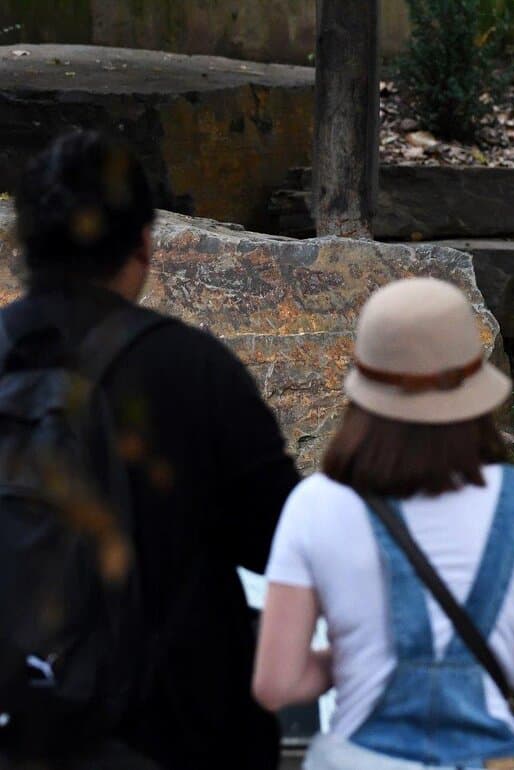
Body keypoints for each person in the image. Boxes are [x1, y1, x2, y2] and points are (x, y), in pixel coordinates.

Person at [0, 131, 300, 769]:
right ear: (142, 244)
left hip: (17, 725)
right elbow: (284, 539)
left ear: (25, 246)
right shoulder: (195, 370)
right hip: (174, 730)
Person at [253, 277, 514, 770]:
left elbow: (278, 684)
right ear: (474, 385)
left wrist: (354, 658)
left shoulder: (316, 504)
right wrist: (507, 654)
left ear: (364, 386)